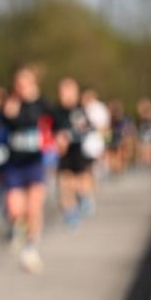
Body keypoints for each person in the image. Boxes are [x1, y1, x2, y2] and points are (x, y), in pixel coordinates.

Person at [0, 63, 52, 274]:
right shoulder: (10, 104)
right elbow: (1, 124)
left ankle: (31, 247)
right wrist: (8, 113)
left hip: (35, 161)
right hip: (14, 163)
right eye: (18, 83)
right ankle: (16, 227)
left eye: (25, 82)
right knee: (14, 209)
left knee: (34, 207)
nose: (21, 86)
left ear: (33, 83)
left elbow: (56, 123)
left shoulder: (42, 104)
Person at [52, 78, 98, 228]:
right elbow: (50, 130)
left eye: (70, 91)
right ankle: (70, 213)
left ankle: (85, 198)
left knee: (82, 181)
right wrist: (57, 139)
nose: (66, 95)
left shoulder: (80, 111)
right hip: (63, 154)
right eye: (63, 92)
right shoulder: (56, 112)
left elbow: (90, 128)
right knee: (65, 182)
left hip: (79, 152)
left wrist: (72, 134)